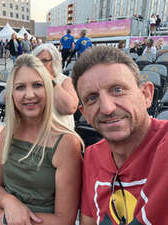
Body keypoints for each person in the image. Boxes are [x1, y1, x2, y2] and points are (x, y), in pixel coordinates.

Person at [0, 54, 83, 225]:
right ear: (12, 93)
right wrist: (10, 202)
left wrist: (2, 219)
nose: (29, 95)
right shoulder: (9, 133)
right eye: (20, 87)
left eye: (37, 85)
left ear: (48, 88)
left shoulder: (66, 143)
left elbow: (64, 220)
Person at [72, 46, 168, 225]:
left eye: (117, 90)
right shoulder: (91, 157)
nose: (107, 108)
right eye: (92, 98)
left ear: (146, 95)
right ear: (84, 114)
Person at [33, 43, 78, 130]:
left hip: (60, 135)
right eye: (36, 61)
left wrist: (50, 80)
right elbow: (8, 99)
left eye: (44, 61)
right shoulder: (31, 81)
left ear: (55, 61)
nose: (39, 65)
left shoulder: (65, 81)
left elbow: (69, 108)